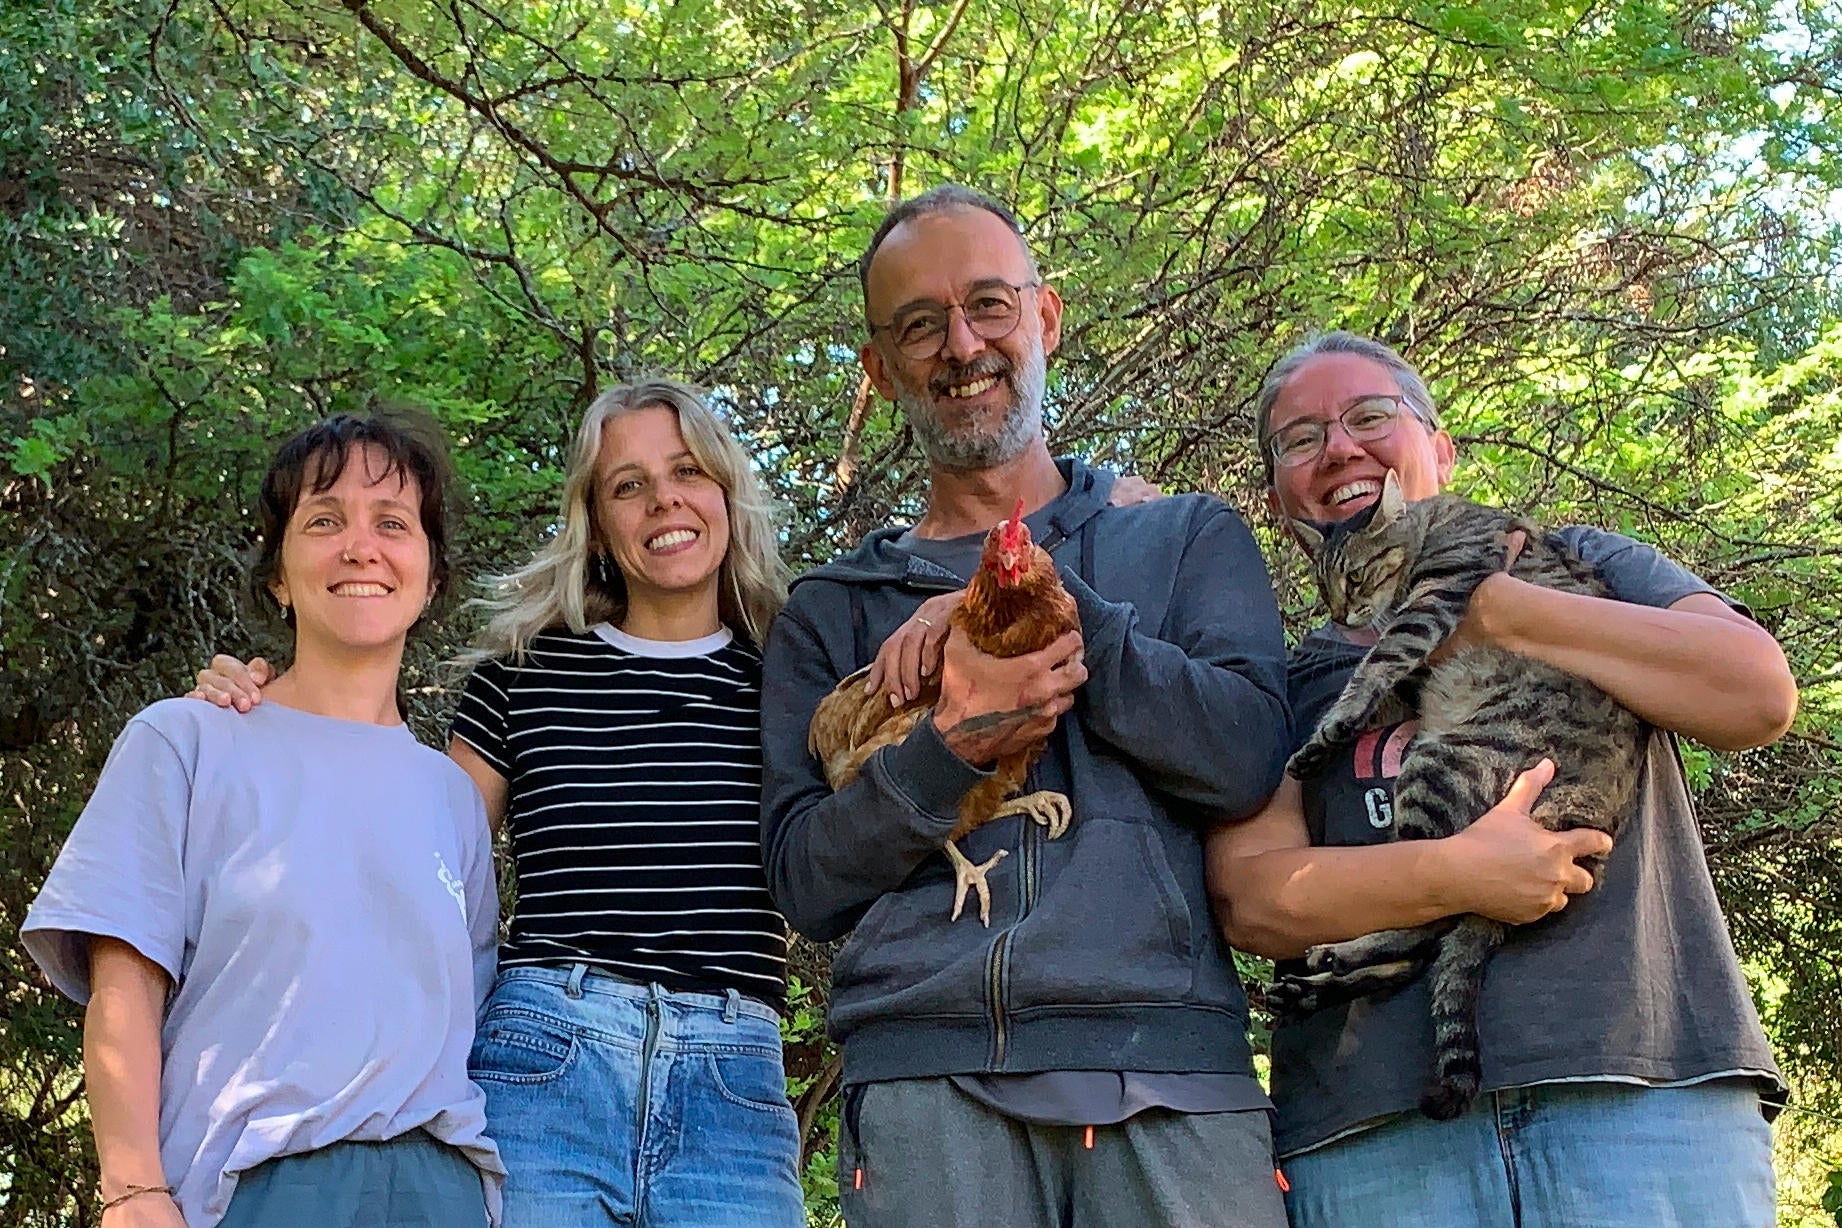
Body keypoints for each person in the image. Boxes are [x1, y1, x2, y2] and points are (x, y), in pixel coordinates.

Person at [758, 185, 1293, 1228]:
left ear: (1043, 318)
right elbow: (805, 879)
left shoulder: (1179, 541)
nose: (962, 345)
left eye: (989, 306)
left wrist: (1029, 598)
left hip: (1167, 1076)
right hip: (926, 1084)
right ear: (879, 368)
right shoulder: (835, 611)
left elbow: (1243, 755)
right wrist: (947, 749)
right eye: (920, 325)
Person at [1207, 330, 1795, 1227]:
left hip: (1644, 1096)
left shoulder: (1588, 561)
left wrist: (1495, 610)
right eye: (1300, 438)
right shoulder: (1290, 677)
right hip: (1378, 1136)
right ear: (1285, 502)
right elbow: (1256, 904)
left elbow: (1755, 695)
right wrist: (1466, 874)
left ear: (1440, 449)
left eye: (1370, 415)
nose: (1338, 446)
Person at [188, 379, 808, 1228]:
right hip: (551, 1060)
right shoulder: (524, 674)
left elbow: (847, 859)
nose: (664, 498)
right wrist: (270, 709)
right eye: (627, 484)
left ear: (727, 492)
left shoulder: (791, 682)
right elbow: (416, 873)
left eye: (688, 471)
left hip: (733, 1077)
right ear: (596, 519)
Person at [22, 411, 504, 1228]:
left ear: (430, 576)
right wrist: (133, 1191)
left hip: (442, 1190)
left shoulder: (449, 794)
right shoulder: (184, 740)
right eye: (324, 521)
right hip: (254, 1187)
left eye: (393, 523)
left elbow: (469, 1024)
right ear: (278, 572)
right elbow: (124, 983)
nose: (361, 547)